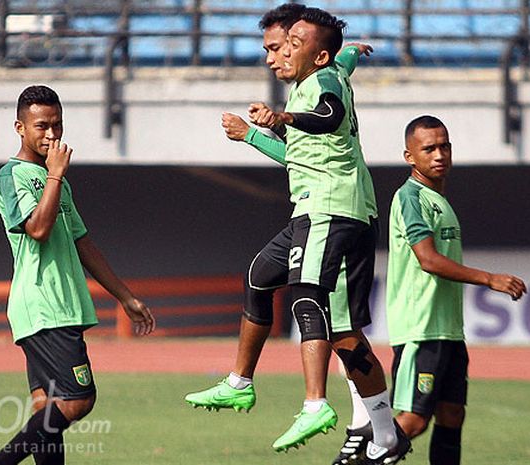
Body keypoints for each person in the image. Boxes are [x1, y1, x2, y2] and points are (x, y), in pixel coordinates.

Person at [187, 7, 410, 463]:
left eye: (288, 43)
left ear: (314, 51)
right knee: (268, 282)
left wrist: (277, 120)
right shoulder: (325, 72)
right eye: (277, 44)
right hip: (321, 208)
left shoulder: (317, 88)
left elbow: (328, 116)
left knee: (307, 298)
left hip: (333, 209)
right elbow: (303, 147)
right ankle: (243, 384)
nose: (279, 53)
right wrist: (353, 53)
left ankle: (315, 404)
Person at [0, 85, 155, 465]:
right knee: (78, 399)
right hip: (43, 303)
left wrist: (125, 296)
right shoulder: (13, 176)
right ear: (20, 128)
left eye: (57, 125)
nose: (52, 134)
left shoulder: (60, 184)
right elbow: (37, 230)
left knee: (48, 406)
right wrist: (54, 177)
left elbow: (83, 243)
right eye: (42, 126)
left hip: (63, 304)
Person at [386, 115, 527, 465]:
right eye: (429, 148)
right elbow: (428, 260)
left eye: (444, 146)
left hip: (448, 330)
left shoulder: (440, 200)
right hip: (421, 329)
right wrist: (489, 279)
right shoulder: (410, 197)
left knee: (451, 415)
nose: (439, 154)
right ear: (409, 157)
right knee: (413, 420)